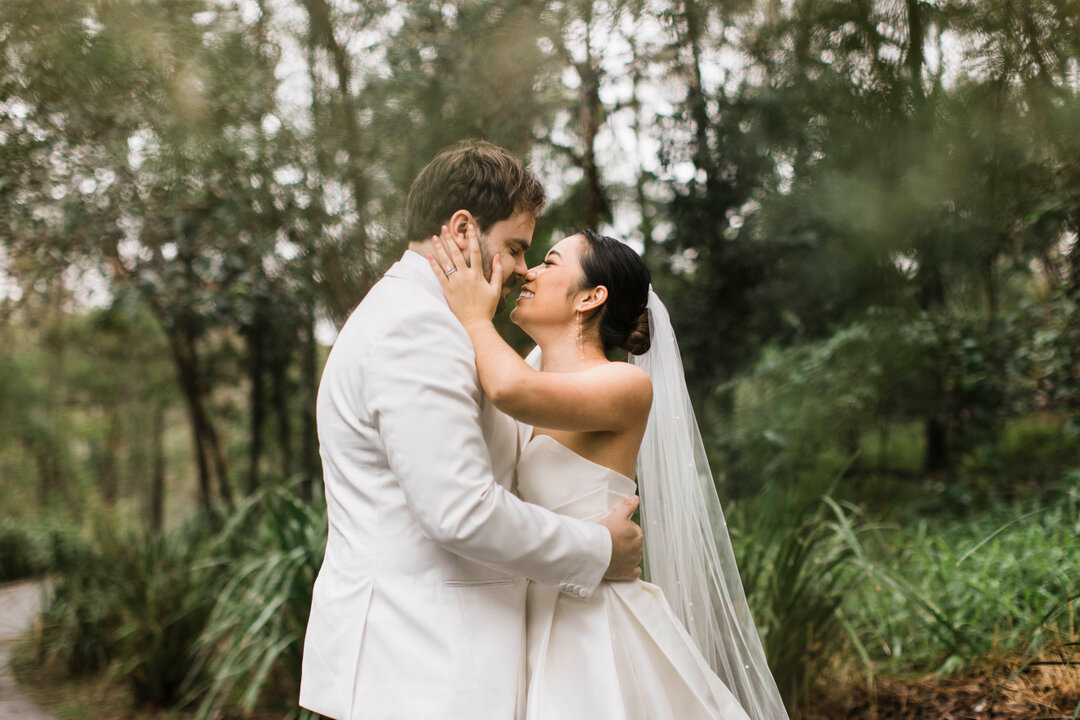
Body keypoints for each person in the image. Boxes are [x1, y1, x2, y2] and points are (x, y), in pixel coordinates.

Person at [298, 141, 645, 720]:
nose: (519, 269)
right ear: (462, 229)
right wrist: (599, 548)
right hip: (418, 669)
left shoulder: (443, 325)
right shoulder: (416, 330)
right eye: (513, 247)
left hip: (447, 665)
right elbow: (460, 509)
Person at [427, 225, 789, 719]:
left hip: (594, 627)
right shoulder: (520, 374)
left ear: (591, 297)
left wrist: (474, 314)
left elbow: (510, 390)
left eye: (550, 262)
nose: (530, 271)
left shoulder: (624, 385)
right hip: (523, 621)